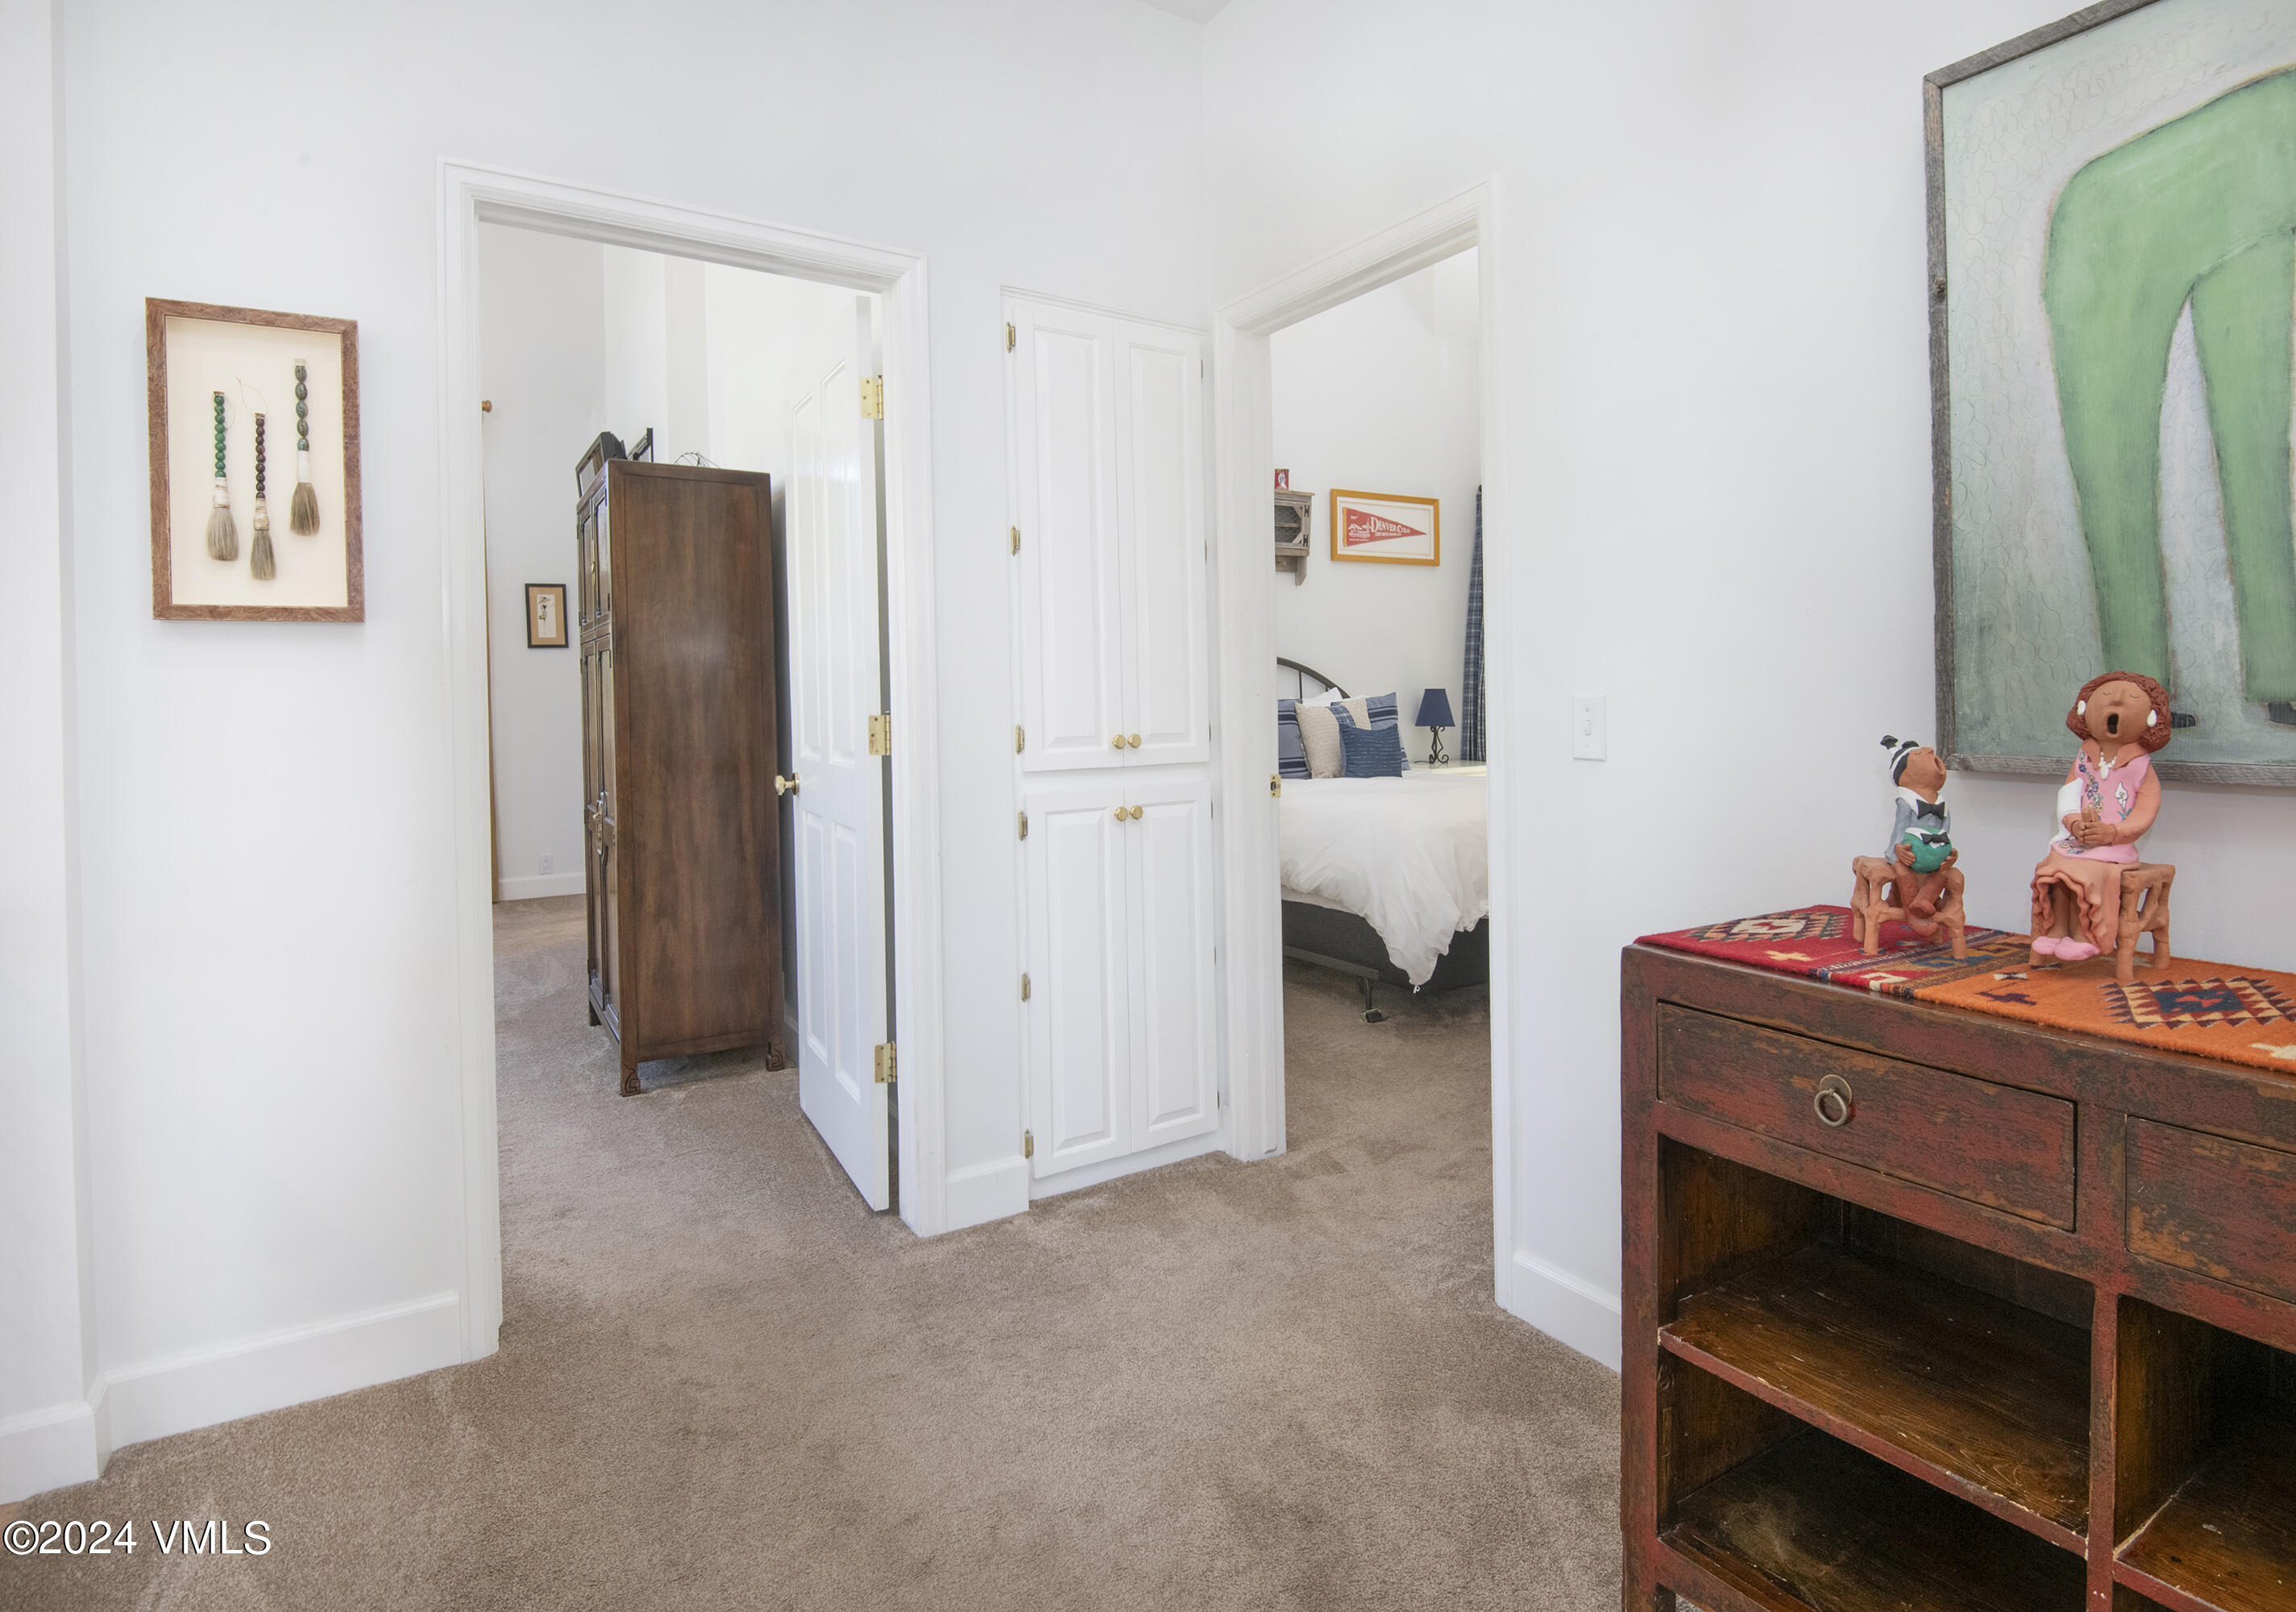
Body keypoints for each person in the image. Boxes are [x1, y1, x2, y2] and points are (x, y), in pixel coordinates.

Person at [2029, 671, 2172, 964]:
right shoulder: (2084, 758)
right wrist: (2074, 823)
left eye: (2130, 699)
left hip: (2114, 848)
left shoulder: (2140, 767)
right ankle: (2056, 929)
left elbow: (2146, 812)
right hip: (2079, 841)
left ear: (2151, 718)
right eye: (2105, 698)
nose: (2115, 704)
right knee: (2055, 867)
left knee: (2088, 874)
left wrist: (2112, 833)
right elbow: (2069, 794)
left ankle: (2088, 936)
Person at [1880, 736, 1957, 921]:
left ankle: (1924, 901)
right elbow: (1900, 828)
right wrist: (1899, 848)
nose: (1930, 751)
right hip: (1909, 852)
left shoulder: (1942, 804)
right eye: (1918, 754)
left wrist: (1949, 853)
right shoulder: (1906, 802)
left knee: (1942, 872)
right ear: (1904, 773)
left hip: (1934, 852)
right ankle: (1914, 916)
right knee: (1903, 872)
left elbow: (1946, 831)